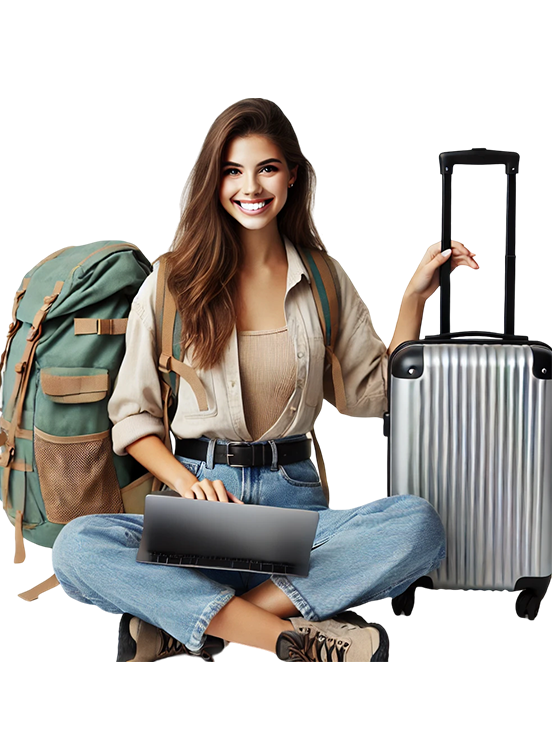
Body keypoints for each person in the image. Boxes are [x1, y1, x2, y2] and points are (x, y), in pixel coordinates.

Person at [52, 98, 478, 662]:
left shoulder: (323, 277)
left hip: (293, 513)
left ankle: (188, 621)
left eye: (267, 168)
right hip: (202, 511)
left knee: (417, 527)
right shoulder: (171, 280)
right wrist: (184, 482)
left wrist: (412, 301)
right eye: (232, 170)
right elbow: (134, 418)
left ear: (292, 175)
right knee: (77, 548)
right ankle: (292, 636)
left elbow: (375, 391)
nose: (250, 187)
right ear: (214, 180)